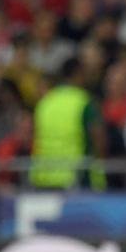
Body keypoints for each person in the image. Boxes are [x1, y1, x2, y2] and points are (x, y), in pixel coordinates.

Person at [29, 58, 106, 190]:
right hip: (78, 177)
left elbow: (36, 137)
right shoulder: (84, 102)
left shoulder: (45, 102)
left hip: (44, 179)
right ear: (78, 73)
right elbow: (99, 140)